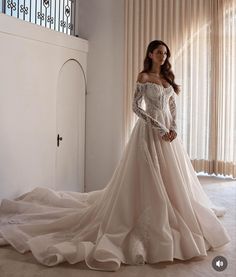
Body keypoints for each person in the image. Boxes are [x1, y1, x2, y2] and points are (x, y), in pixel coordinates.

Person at [0, 40, 230, 272]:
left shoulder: (167, 79)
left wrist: (174, 128)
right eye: (159, 52)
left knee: (172, 178)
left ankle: (173, 212)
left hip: (168, 134)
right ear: (150, 54)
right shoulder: (143, 77)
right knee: (149, 176)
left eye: (165, 53)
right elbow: (136, 107)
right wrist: (157, 126)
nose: (163, 56)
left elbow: (173, 106)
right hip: (149, 133)